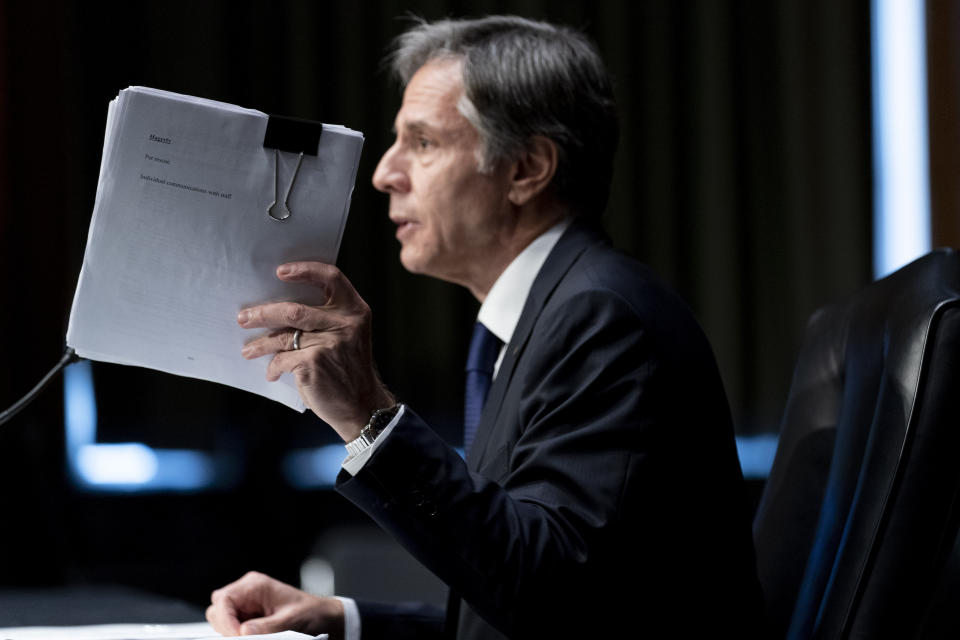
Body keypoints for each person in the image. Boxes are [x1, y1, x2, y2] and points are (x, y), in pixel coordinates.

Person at [205, 15, 762, 640]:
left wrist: (368, 415)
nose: (386, 173)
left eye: (422, 143)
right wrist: (344, 619)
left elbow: (550, 593)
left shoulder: (602, 318)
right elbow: (526, 607)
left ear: (526, 168)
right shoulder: (543, 314)